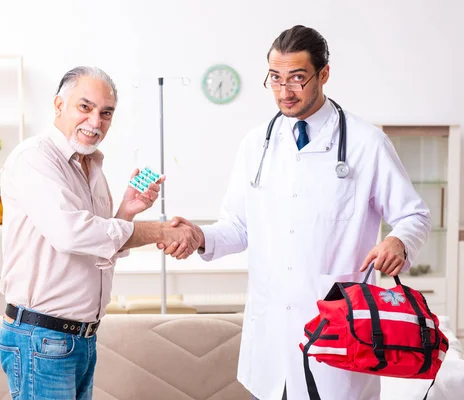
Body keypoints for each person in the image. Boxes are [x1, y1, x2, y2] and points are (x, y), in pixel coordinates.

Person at [159, 25, 431, 400]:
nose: (284, 92)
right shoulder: (257, 144)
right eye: (275, 78)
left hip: (340, 333)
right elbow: (238, 226)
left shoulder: (366, 143)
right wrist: (200, 236)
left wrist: (399, 240)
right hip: (271, 338)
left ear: (324, 74)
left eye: (297, 79)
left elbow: (414, 215)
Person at [0, 66, 202, 400]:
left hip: (78, 338)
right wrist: (158, 231)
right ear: (58, 105)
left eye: (106, 113)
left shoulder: (89, 165)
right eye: (85, 107)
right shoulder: (35, 159)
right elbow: (71, 234)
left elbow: (95, 246)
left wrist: (126, 211)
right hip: (41, 338)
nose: (96, 122)